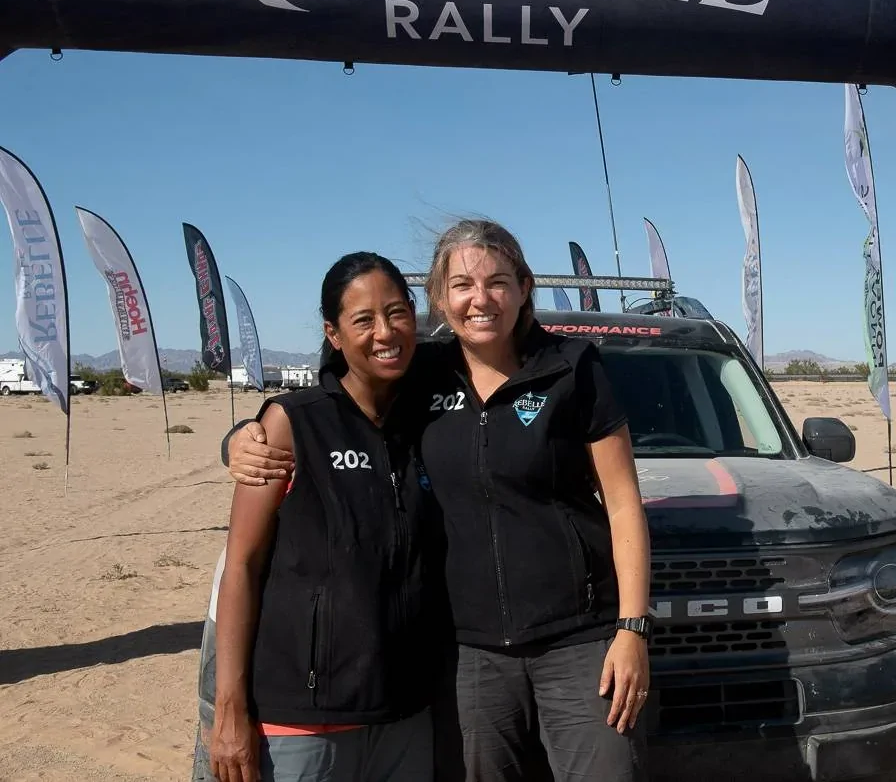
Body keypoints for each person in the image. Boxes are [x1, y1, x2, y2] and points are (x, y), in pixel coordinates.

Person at [224, 219, 652, 782]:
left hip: (578, 642)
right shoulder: (422, 373)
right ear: (439, 298)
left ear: (525, 287)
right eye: (462, 285)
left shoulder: (573, 367)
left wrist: (633, 628)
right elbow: (334, 404)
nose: (481, 299)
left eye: (498, 281)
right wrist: (240, 437)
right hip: (467, 654)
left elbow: (623, 505)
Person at [208, 252, 446, 782]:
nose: (384, 332)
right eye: (363, 320)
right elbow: (240, 567)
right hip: (303, 718)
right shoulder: (293, 424)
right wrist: (229, 709)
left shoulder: (430, 420)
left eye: (397, 313)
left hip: (406, 713)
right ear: (333, 334)